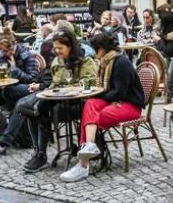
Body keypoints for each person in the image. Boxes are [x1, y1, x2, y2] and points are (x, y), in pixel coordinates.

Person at [0, 30, 97, 164]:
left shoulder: (84, 61)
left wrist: (15, 69)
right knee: (12, 101)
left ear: (70, 46)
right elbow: (50, 81)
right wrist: (46, 87)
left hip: (76, 103)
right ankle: (36, 152)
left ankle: (36, 152)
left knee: (33, 109)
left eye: (60, 48)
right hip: (51, 95)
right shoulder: (57, 61)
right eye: (56, 47)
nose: (57, 51)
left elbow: (88, 84)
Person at [60, 33, 145, 182]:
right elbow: (108, 91)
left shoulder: (121, 62)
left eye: (95, 50)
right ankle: (90, 146)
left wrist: (97, 95)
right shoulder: (105, 62)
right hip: (115, 101)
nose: (94, 53)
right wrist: (95, 96)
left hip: (130, 104)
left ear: (102, 49)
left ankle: (83, 165)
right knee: (90, 104)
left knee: (91, 118)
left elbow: (120, 92)